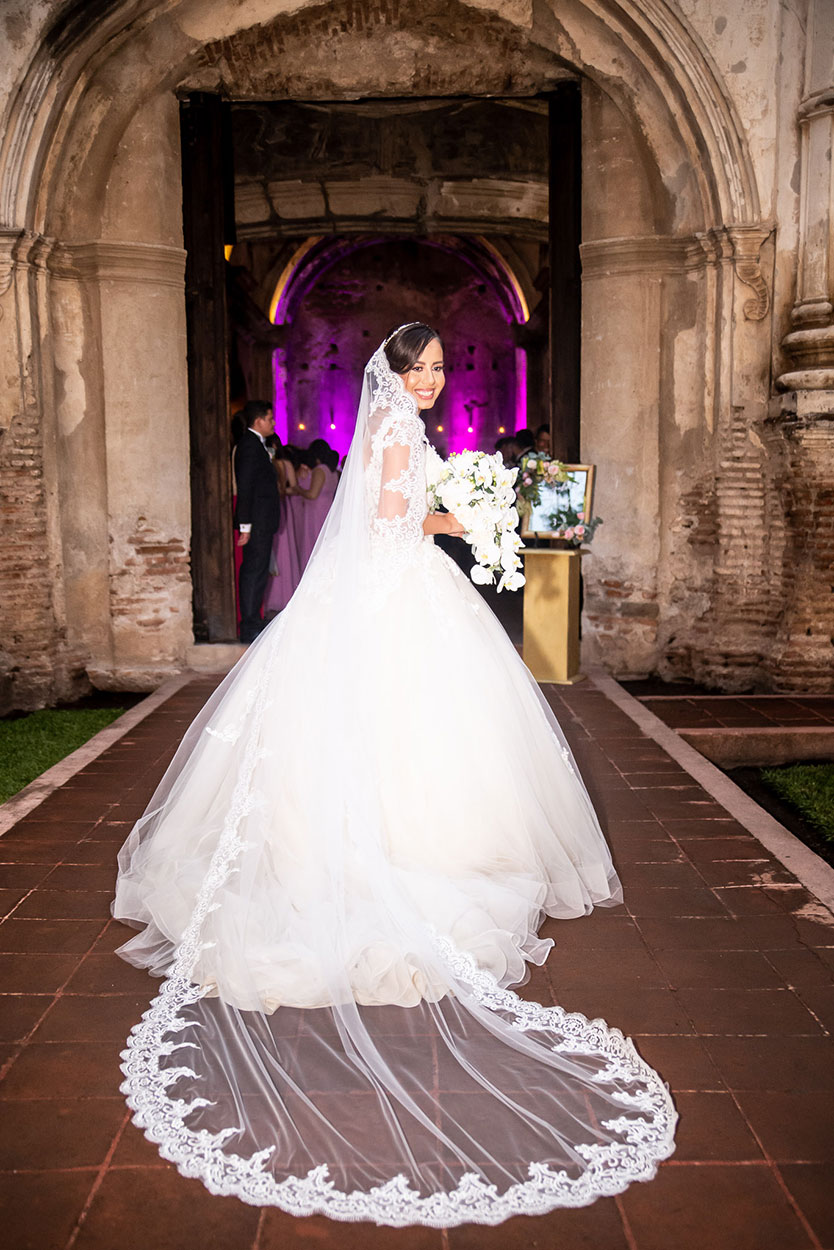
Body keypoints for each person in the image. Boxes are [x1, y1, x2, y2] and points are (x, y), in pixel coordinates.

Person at [113, 323, 676, 1225]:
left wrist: (459, 508)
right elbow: (384, 522)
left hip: (400, 593)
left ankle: (429, 845)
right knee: (404, 726)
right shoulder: (389, 433)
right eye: (421, 368)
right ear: (394, 374)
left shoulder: (403, 433)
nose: (433, 379)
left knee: (441, 734)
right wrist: (461, 518)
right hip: (394, 597)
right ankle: (389, 858)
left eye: (443, 367)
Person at [233, 399, 281, 643]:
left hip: (263, 521)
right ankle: (249, 624)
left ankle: (254, 619)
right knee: (253, 570)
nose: (273, 423)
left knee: (259, 570)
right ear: (258, 420)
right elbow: (246, 487)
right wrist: (245, 526)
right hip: (256, 522)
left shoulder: (259, 444)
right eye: (270, 418)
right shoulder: (249, 446)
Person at [262, 434, 300, 618]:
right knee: (284, 551)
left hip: (272, 507)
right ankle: (285, 594)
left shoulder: (270, 464)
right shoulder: (286, 465)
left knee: (275, 550)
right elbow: (293, 487)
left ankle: (271, 598)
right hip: (283, 507)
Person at [294, 438, 340, 570]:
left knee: (314, 544)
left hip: (316, 512)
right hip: (328, 510)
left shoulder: (320, 470)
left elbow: (312, 494)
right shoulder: (333, 471)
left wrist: (298, 489)